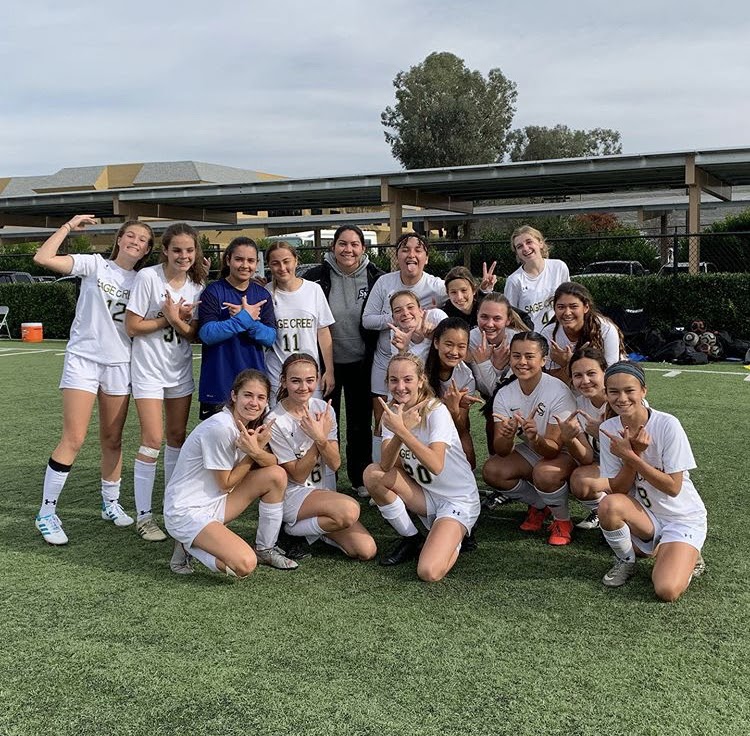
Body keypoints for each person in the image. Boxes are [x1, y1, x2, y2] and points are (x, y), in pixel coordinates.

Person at [32, 215, 154, 545]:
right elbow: (42, 258)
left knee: (112, 438)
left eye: (142, 239)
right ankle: (46, 512)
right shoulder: (94, 265)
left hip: (119, 363)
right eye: (130, 235)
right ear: (119, 239)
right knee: (73, 437)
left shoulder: (144, 281)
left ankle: (110, 503)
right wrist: (69, 226)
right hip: (84, 360)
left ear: (146, 250)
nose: (135, 241)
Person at [165, 369, 298, 576]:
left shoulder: (245, 426)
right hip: (187, 510)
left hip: (214, 503)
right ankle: (187, 545)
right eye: (248, 395)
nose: (254, 402)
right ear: (234, 396)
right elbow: (225, 484)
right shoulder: (220, 428)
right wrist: (251, 454)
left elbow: (273, 463)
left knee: (275, 475)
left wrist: (256, 450)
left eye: (260, 397)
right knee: (244, 564)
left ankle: (266, 548)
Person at [362, 353, 481, 581]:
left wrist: (404, 431)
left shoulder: (436, 410)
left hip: (456, 499)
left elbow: (436, 465)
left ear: (421, 380)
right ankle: (412, 537)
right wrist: (399, 430)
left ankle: (456, 534)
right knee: (373, 474)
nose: (400, 386)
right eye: (394, 380)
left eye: (408, 379)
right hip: (425, 495)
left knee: (428, 572)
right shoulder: (391, 412)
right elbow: (386, 465)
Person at [597, 362, 707, 600]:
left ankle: (688, 555)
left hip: (681, 518)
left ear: (644, 391)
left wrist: (632, 457)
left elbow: (673, 487)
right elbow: (618, 489)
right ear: (605, 394)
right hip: (646, 516)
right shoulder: (608, 428)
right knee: (608, 505)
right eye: (613, 392)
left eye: (629, 390)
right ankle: (627, 561)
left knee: (666, 590)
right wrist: (631, 457)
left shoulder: (667, 425)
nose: (622, 398)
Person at [125, 223, 206, 542]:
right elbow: (132, 326)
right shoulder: (148, 278)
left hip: (179, 370)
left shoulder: (197, 285)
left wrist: (177, 320)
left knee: (176, 438)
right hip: (147, 370)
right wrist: (167, 317)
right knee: (152, 439)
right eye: (177, 250)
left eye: (189, 250)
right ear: (166, 251)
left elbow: (195, 334)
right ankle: (144, 516)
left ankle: (171, 507)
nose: (183, 256)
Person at [267, 353, 377, 560]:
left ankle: (305, 531)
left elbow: (335, 464)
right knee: (349, 509)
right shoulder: (275, 420)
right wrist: (318, 439)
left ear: (317, 379)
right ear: (283, 381)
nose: (303, 387)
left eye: (310, 380)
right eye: (295, 381)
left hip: (324, 493)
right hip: (294, 496)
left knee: (366, 550)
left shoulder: (322, 408)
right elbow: (298, 476)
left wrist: (320, 437)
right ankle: (288, 529)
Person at [304, 225, 384, 496]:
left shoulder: (376, 277)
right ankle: (329, 479)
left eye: (354, 244)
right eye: (342, 243)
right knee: (325, 422)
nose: (348, 249)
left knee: (359, 423)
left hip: (362, 361)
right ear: (333, 247)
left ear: (363, 248)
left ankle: (360, 478)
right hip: (327, 364)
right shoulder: (315, 277)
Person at [482, 332, 578, 546]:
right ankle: (540, 505)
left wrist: (535, 437)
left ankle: (563, 520)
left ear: (543, 360)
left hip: (566, 451)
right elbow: (502, 450)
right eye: (516, 356)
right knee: (493, 470)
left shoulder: (558, 391)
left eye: (529, 356)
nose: (522, 362)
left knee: (544, 473)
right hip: (534, 448)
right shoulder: (505, 393)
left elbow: (553, 449)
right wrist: (506, 436)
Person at [362, 232, 446, 461]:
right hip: (385, 359)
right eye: (405, 250)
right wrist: (398, 318)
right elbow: (367, 319)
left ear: (426, 257)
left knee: (423, 416)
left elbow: (462, 300)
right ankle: (379, 469)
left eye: (418, 250)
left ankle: (417, 468)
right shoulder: (384, 282)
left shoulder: (437, 286)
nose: (411, 254)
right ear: (396, 256)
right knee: (383, 418)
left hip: (420, 363)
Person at [197, 237, 276, 419]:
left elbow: (270, 337)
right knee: (218, 444)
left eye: (250, 260)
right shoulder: (213, 291)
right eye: (239, 259)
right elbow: (207, 334)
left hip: (253, 388)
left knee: (251, 443)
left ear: (257, 263)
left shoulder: (262, 294)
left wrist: (249, 322)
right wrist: (244, 318)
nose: (245, 265)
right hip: (218, 384)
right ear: (228, 260)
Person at [264, 242, 335, 403]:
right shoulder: (265, 293)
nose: (282, 267)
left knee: (309, 422)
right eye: (275, 263)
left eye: (286, 261)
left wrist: (329, 370)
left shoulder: (313, 290)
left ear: (296, 261)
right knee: (278, 424)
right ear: (269, 265)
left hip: (309, 375)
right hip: (277, 375)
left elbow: (323, 332)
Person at [555, 347, 610, 531]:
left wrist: (602, 432)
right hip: (606, 467)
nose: (585, 381)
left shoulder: (622, 399)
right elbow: (586, 458)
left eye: (591, 373)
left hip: (634, 467)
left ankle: (625, 514)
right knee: (580, 481)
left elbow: (638, 451)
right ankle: (604, 512)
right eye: (578, 375)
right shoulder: (578, 405)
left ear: (605, 372)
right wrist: (569, 439)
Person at [424, 317, 482, 469]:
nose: (454, 352)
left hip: (449, 424)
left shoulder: (466, 376)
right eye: (448, 344)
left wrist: (455, 409)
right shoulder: (420, 364)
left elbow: (461, 428)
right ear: (436, 343)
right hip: (419, 423)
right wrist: (443, 404)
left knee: (468, 462)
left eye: (461, 346)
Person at [540, 281, 624, 382]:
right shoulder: (548, 333)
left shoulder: (605, 330)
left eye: (573, 306)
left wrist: (571, 362)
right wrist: (570, 367)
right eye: (561, 307)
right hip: (568, 389)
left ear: (586, 307)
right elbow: (553, 382)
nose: (567, 313)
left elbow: (610, 376)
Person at [504, 225, 569, 331]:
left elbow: (569, 300)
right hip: (532, 340)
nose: (525, 248)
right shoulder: (514, 280)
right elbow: (510, 317)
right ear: (517, 253)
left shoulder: (559, 267)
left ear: (540, 243)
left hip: (560, 332)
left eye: (529, 242)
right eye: (519, 246)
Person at [388, 290, 448, 365]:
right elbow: (404, 370)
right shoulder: (396, 333)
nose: (405, 313)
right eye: (398, 310)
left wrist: (436, 335)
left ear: (420, 310)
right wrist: (402, 351)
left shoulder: (435, 317)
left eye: (410, 307)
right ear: (393, 318)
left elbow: (450, 350)